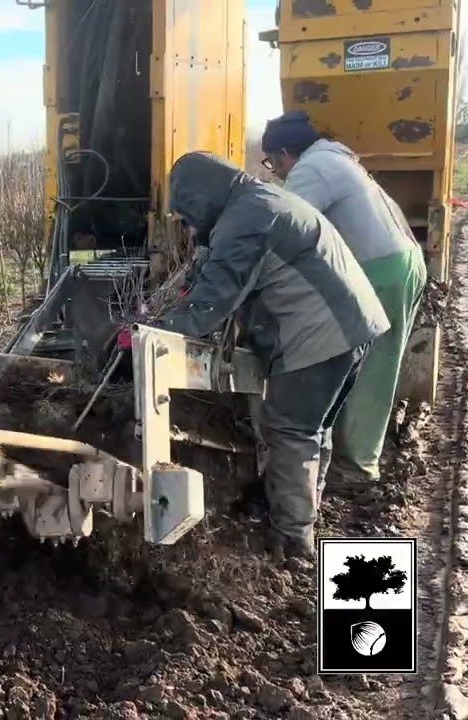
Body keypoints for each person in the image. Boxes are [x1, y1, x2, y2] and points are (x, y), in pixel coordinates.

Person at [156, 151, 390, 559]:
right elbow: (209, 268)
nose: (189, 228)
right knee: (313, 428)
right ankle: (303, 514)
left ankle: (293, 541)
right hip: (351, 326)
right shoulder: (257, 201)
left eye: (188, 216)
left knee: (289, 430)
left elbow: (211, 301)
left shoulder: (248, 219)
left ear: (200, 198)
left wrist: (151, 334)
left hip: (321, 334)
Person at [261, 111, 428, 495]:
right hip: (399, 262)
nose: (276, 173)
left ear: (286, 153)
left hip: (382, 269)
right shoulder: (334, 159)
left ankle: (355, 469)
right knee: (373, 363)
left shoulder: (311, 170)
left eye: (273, 163)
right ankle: (356, 456)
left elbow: (285, 227)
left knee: (369, 367)